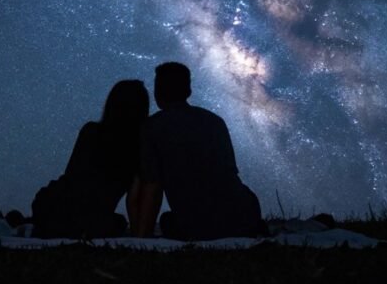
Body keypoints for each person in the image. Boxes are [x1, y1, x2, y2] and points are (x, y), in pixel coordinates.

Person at [133, 62, 264, 240]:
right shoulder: (215, 121)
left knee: (168, 221)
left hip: (197, 223)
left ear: (157, 92)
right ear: (188, 91)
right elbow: (229, 171)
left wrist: (142, 236)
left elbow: (152, 185)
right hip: (244, 215)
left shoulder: (152, 127)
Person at [28, 79, 150, 239]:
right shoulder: (139, 147)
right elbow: (133, 197)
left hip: (53, 205)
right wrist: (138, 234)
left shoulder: (91, 131)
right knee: (116, 223)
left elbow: (72, 175)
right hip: (91, 218)